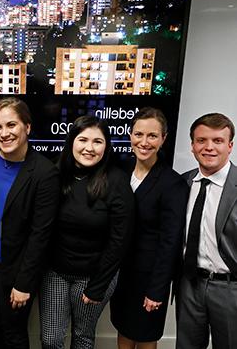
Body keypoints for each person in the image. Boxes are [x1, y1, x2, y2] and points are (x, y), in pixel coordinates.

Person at [39, 115, 134, 349]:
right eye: (82, 140)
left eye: (98, 142)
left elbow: (120, 240)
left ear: (107, 146)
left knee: (82, 336)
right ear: (71, 141)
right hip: (56, 272)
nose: (89, 148)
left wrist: (98, 285)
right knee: (51, 339)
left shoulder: (117, 181)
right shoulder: (54, 173)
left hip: (94, 276)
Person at [0, 97, 59, 349]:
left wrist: (24, 283)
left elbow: (40, 235)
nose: (4, 133)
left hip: (16, 270)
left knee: (14, 333)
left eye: (11, 125)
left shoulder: (44, 173)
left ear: (27, 127)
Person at [110, 107, 189, 349]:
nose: (144, 142)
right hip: (121, 275)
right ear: (130, 135)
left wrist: (157, 289)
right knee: (123, 328)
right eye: (138, 134)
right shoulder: (120, 172)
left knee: (145, 336)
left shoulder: (172, 183)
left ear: (163, 138)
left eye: (152, 136)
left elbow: (170, 242)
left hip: (150, 278)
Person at [176, 113, 237, 349]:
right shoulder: (182, 183)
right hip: (189, 284)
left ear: (230, 146)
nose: (209, 147)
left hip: (230, 288)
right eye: (201, 140)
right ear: (192, 146)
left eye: (218, 141)